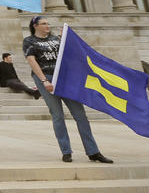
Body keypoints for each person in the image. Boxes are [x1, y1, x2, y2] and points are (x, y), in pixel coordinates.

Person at [23, 15, 112, 163]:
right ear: (35, 26)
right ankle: (66, 151)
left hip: (65, 78)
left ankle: (93, 151)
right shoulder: (29, 41)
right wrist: (44, 80)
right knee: (57, 115)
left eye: (48, 23)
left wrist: (67, 40)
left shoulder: (57, 39)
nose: (47, 26)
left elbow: (71, 56)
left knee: (80, 115)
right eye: (44, 24)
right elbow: (31, 61)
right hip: (46, 78)